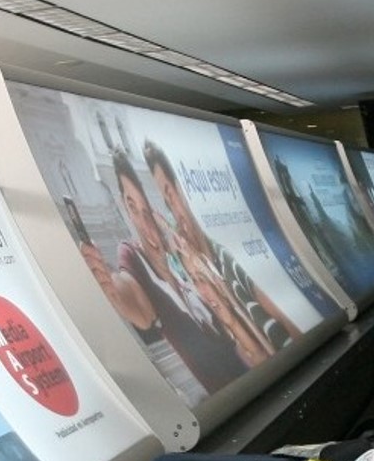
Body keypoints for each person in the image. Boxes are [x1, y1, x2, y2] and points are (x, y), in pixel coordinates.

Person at [79, 147, 249, 394]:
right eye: (133, 208)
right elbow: (137, 305)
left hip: (252, 365)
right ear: (125, 210)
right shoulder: (131, 255)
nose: (145, 222)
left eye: (146, 208)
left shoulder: (178, 246)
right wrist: (110, 288)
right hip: (226, 395)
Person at [142, 139, 300, 352]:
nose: (176, 217)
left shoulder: (231, 261)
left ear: (184, 190)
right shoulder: (209, 280)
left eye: (171, 196)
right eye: (167, 204)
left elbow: (296, 336)